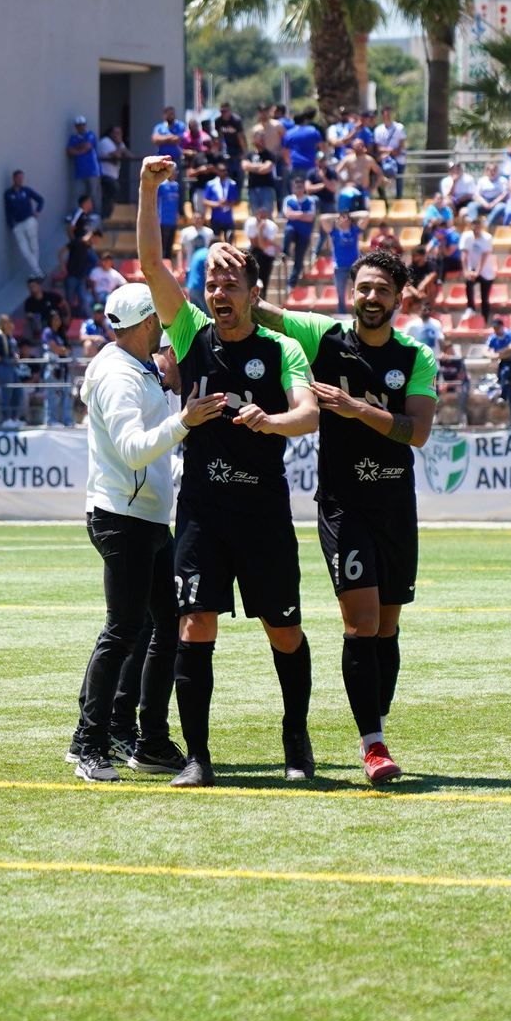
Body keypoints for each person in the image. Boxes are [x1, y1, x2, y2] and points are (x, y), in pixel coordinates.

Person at [217, 242, 438, 784]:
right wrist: (240, 270)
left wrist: (359, 410)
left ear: (398, 299)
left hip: (394, 508)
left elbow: (419, 432)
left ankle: (374, 720)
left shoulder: (416, 357)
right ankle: (374, 745)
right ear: (351, 291)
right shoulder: (322, 337)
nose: (370, 297)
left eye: (382, 290)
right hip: (343, 508)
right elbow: (261, 311)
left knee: (387, 628)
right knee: (360, 623)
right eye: (363, 287)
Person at [137, 154, 320, 789]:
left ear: (253, 293)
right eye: (211, 282)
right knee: (194, 624)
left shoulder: (282, 348)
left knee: (285, 630)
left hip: (263, 511)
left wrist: (271, 422)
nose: (218, 292)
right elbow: (152, 267)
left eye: (230, 283)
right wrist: (148, 191)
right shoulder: (187, 335)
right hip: (203, 513)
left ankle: (296, 738)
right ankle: (198, 757)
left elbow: (308, 413)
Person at [67, 283, 228, 782]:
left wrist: (170, 392)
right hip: (125, 517)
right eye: (155, 319)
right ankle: (89, 742)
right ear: (143, 324)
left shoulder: (130, 366)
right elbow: (134, 449)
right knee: (124, 630)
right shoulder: (119, 375)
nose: (162, 326)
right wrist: (184, 420)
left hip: (144, 516)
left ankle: (149, 739)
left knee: (162, 625)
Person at [3, 171, 47, 279]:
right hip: (18, 224)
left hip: (29, 220)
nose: (20, 180)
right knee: (24, 250)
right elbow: (8, 211)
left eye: (22, 178)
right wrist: (11, 225)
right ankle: (37, 271)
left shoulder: (26, 190)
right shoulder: (8, 194)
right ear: (14, 179)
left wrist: (37, 211)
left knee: (34, 246)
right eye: (18, 178)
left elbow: (40, 199)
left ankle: (37, 272)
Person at [487, 314, 511, 424]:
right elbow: (485, 350)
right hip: (503, 363)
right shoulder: (493, 337)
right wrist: (493, 355)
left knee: (505, 374)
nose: (496, 330)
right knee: (509, 388)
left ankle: (502, 397)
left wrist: (499, 354)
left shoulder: (509, 335)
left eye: (497, 328)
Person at [460, 213, 497, 319]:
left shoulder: (487, 238)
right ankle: (470, 308)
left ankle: (485, 319)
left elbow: (484, 256)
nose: (476, 227)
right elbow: (464, 254)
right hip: (472, 268)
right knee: (469, 283)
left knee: (484, 298)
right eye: (474, 225)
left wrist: (478, 272)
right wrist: (466, 271)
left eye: (478, 225)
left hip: (486, 271)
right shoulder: (466, 236)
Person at [281, 180, 318, 279]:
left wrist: (295, 214)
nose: (299, 190)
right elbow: (287, 215)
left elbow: (311, 217)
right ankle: (285, 253)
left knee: (299, 257)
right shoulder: (288, 199)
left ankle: (292, 282)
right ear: (293, 188)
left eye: (301, 187)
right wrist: (302, 214)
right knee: (288, 231)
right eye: (297, 187)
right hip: (293, 229)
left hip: (304, 233)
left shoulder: (310, 200)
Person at [328, 211, 363, 314]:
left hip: (354, 266)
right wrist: (337, 216)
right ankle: (342, 312)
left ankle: (358, 310)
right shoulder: (334, 232)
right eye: (342, 218)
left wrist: (351, 215)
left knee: (359, 289)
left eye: (346, 218)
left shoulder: (354, 231)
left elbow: (366, 215)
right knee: (340, 291)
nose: (344, 220)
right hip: (340, 267)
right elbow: (322, 219)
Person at [283, 108, 324, 189]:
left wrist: (289, 164)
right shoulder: (313, 131)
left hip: (296, 165)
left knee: (297, 190)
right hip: (311, 164)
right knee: (311, 188)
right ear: (305, 120)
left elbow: (285, 152)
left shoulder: (289, 133)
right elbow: (322, 148)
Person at [67, 117, 102, 208]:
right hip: (79, 171)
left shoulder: (90, 135)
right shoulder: (73, 138)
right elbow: (69, 151)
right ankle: (79, 214)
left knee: (93, 194)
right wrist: (80, 150)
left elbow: (88, 146)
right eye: (79, 126)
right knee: (78, 194)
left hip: (92, 170)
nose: (81, 128)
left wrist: (76, 149)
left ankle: (94, 214)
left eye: (82, 125)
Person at [242, 142, 278, 217]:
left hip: (267, 187)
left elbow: (266, 169)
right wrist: (261, 166)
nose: (262, 140)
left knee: (267, 215)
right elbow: (245, 166)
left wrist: (251, 167)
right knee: (254, 216)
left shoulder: (269, 154)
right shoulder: (248, 154)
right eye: (259, 137)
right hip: (252, 188)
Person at [201, 166, 238, 235]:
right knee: (216, 241)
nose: (224, 173)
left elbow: (237, 201)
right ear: (217, 172)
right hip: (216, 219)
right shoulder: (211, 184)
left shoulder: (232, 184)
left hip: (228, 219)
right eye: (222, 170)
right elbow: (205, 201)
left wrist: (228, 204)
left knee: (229, 240)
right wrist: (218, 204)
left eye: (226, 170)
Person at [213, 101, 246, 178]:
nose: (223, 113)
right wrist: (219, 150)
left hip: (238, 148)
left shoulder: (236, 120)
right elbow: (220, 136)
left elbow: (240, 137)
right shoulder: (218, 121)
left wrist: (244, 152)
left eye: (225, 111)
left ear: (230, 111)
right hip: (228, 147)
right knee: (228, 170)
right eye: (221, 111)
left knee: (239, 172)